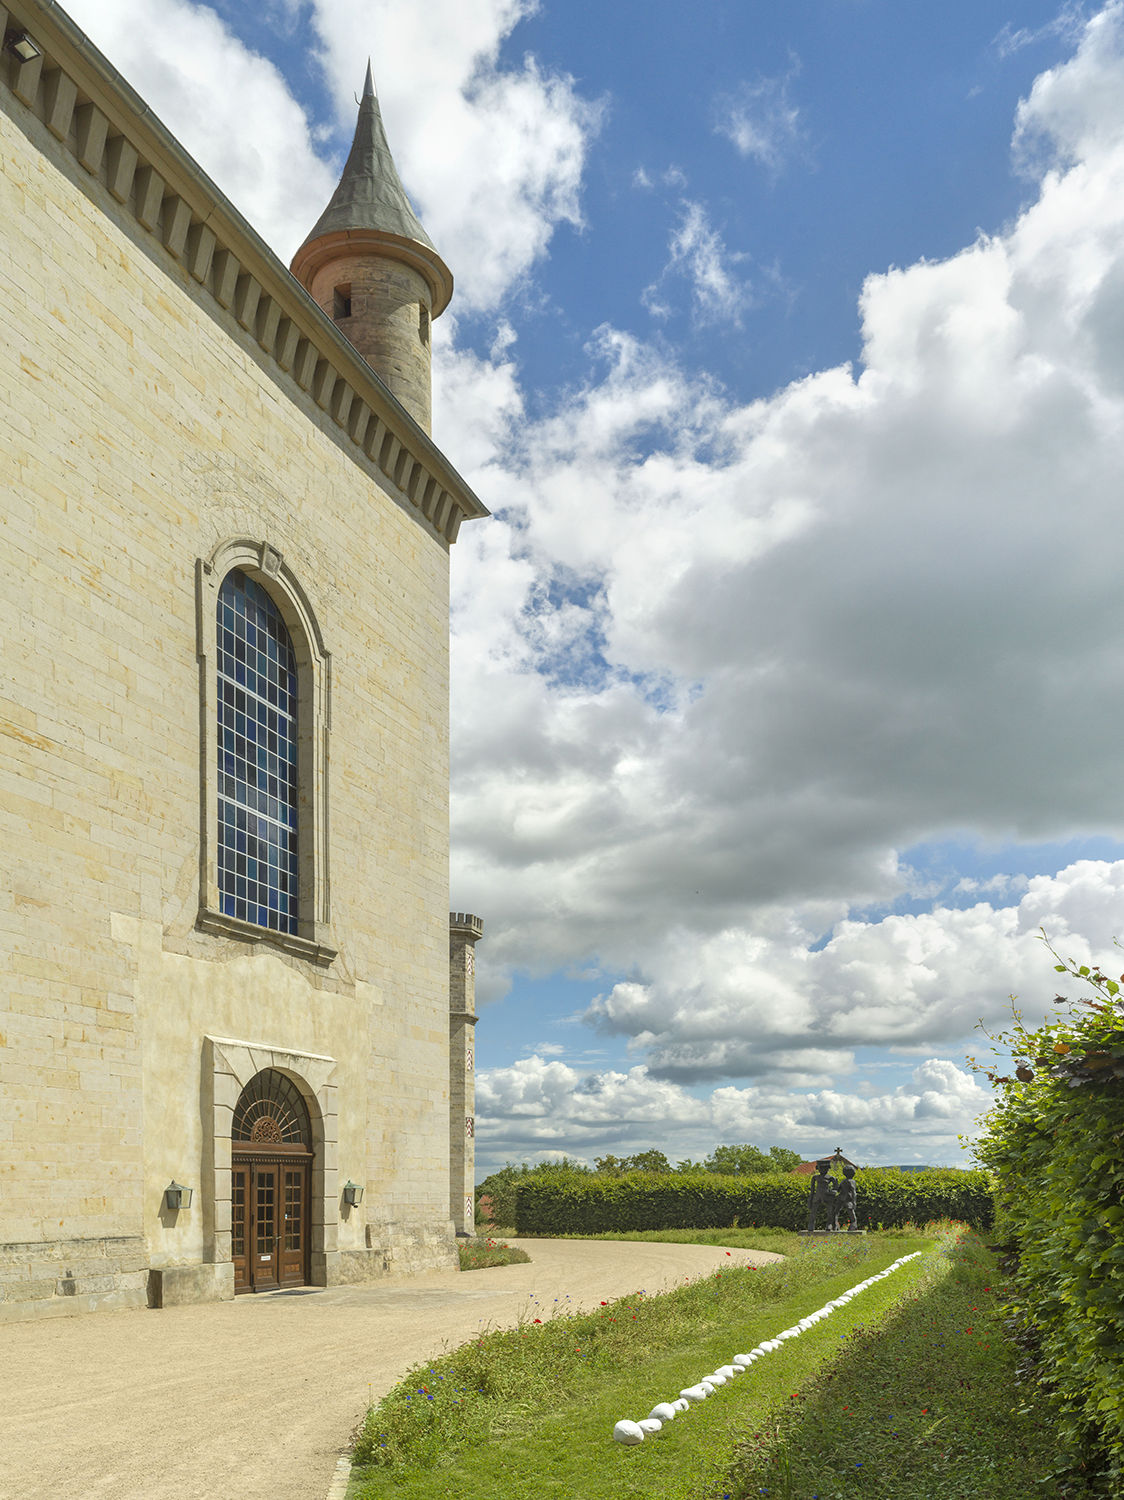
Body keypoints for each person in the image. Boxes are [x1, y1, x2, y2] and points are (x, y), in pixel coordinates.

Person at [806, 1159, 838, 1231]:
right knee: (813, 1212)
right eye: (821, 1168)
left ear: (828, 1168)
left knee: (830, 1212)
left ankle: (829, 1225)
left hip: (827, 1196)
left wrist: (833, 1192)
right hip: (817, 1196)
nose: (823, 1170)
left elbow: (836, 1187)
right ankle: (811, 1225)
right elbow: (812, 1190)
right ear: (818, 1168)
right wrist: (810, 1200)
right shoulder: (815, 1177)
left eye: (825, 1168)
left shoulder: (831, 1178)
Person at [832, 1165, 858, 1231]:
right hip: (845, 1198)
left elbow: (838, 1189)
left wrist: (854, 1202)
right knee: (848, 1212)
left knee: (838, 1212)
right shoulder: (850, 1181)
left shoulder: (845, 1181)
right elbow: (853, 1192)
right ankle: (836, 1224)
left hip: (843, 1198)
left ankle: (836, 1224)